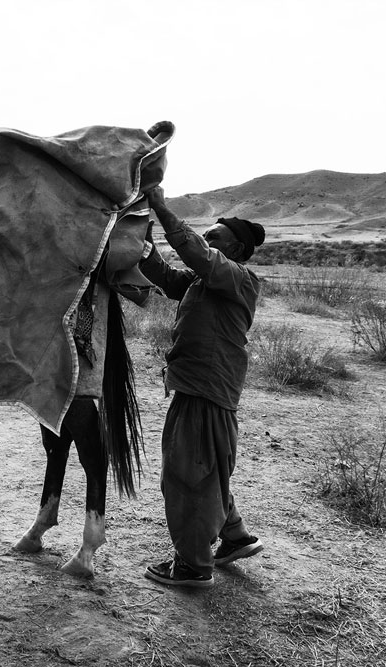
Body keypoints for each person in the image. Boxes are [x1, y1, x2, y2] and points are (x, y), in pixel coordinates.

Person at [139, 186, 267, 588]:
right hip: (201, 385)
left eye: (215, 237)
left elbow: (195, 252)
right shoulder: (203, 280)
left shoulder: (237, 277)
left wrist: (160, 206)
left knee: (187, 474)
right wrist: (142, 238)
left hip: (207, 387)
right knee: (207, 468)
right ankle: (235, 537)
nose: (207, 240)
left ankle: (193, 566)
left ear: (239, 250)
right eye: (207, 235)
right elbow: (163, 276)